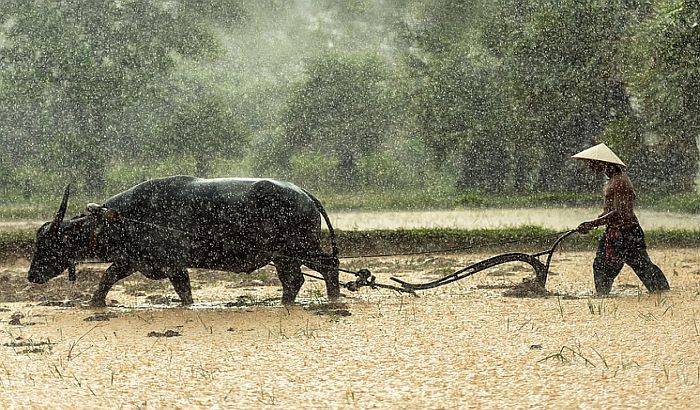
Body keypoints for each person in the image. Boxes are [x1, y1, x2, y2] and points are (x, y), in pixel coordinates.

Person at [572, 143, 669, 295]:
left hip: (626, 233)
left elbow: (619, 212)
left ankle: (661, 293)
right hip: (617, 232)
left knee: (641, 266)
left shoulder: (620, 182)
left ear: (603, 163)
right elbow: (611, 210)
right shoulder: (612, 180)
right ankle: (603, 296)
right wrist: (597, 220)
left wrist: (592, 223)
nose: (590, 166)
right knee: (608, 265)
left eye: (592, 162)